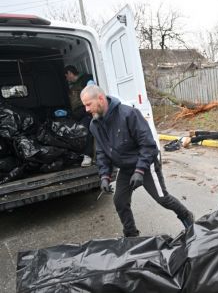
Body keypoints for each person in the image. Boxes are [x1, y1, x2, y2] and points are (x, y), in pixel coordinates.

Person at [80, 85, 194, 237]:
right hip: (126, 168)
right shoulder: (95, 125)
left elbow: (148, 145)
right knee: (120, 201)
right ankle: (131, 235)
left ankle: (186, 216)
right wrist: (104, 176)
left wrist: (140, 171)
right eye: (84, 105)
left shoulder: (129, 114)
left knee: (162, 198)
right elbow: (102, 152)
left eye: (88, 104)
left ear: (100, 99)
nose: (86, 109)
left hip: (146, 165)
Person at [64, 65, 95, 167]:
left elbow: (91, 88)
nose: (66, 78)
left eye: (66, 75)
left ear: (70, 73)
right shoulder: (72, 85)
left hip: (87, 111)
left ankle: (88, 156)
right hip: (78, 113)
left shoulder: (85, 78)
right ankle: (82, 154)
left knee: (85, 131)